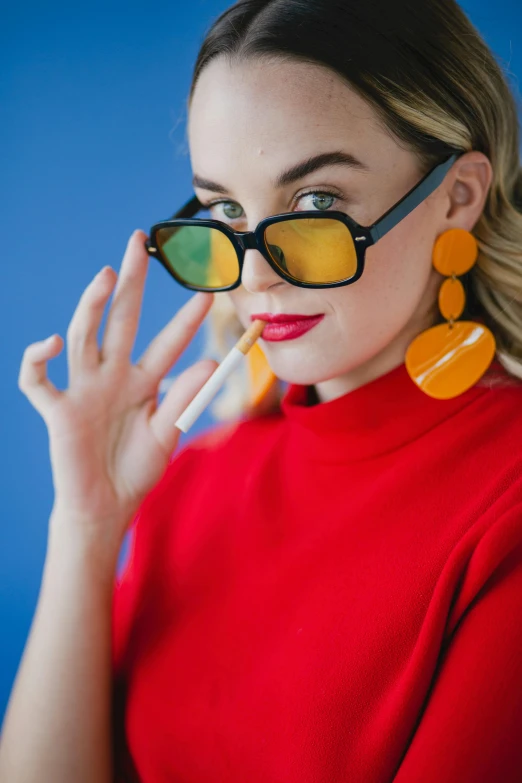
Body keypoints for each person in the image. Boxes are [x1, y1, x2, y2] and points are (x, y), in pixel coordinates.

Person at [1, 0, 522, 780]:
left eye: (316, 204)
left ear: (458, 193)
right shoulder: (189, 477)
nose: (254, 274)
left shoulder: (506, 500)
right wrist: (87, 524)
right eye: (226, 210)